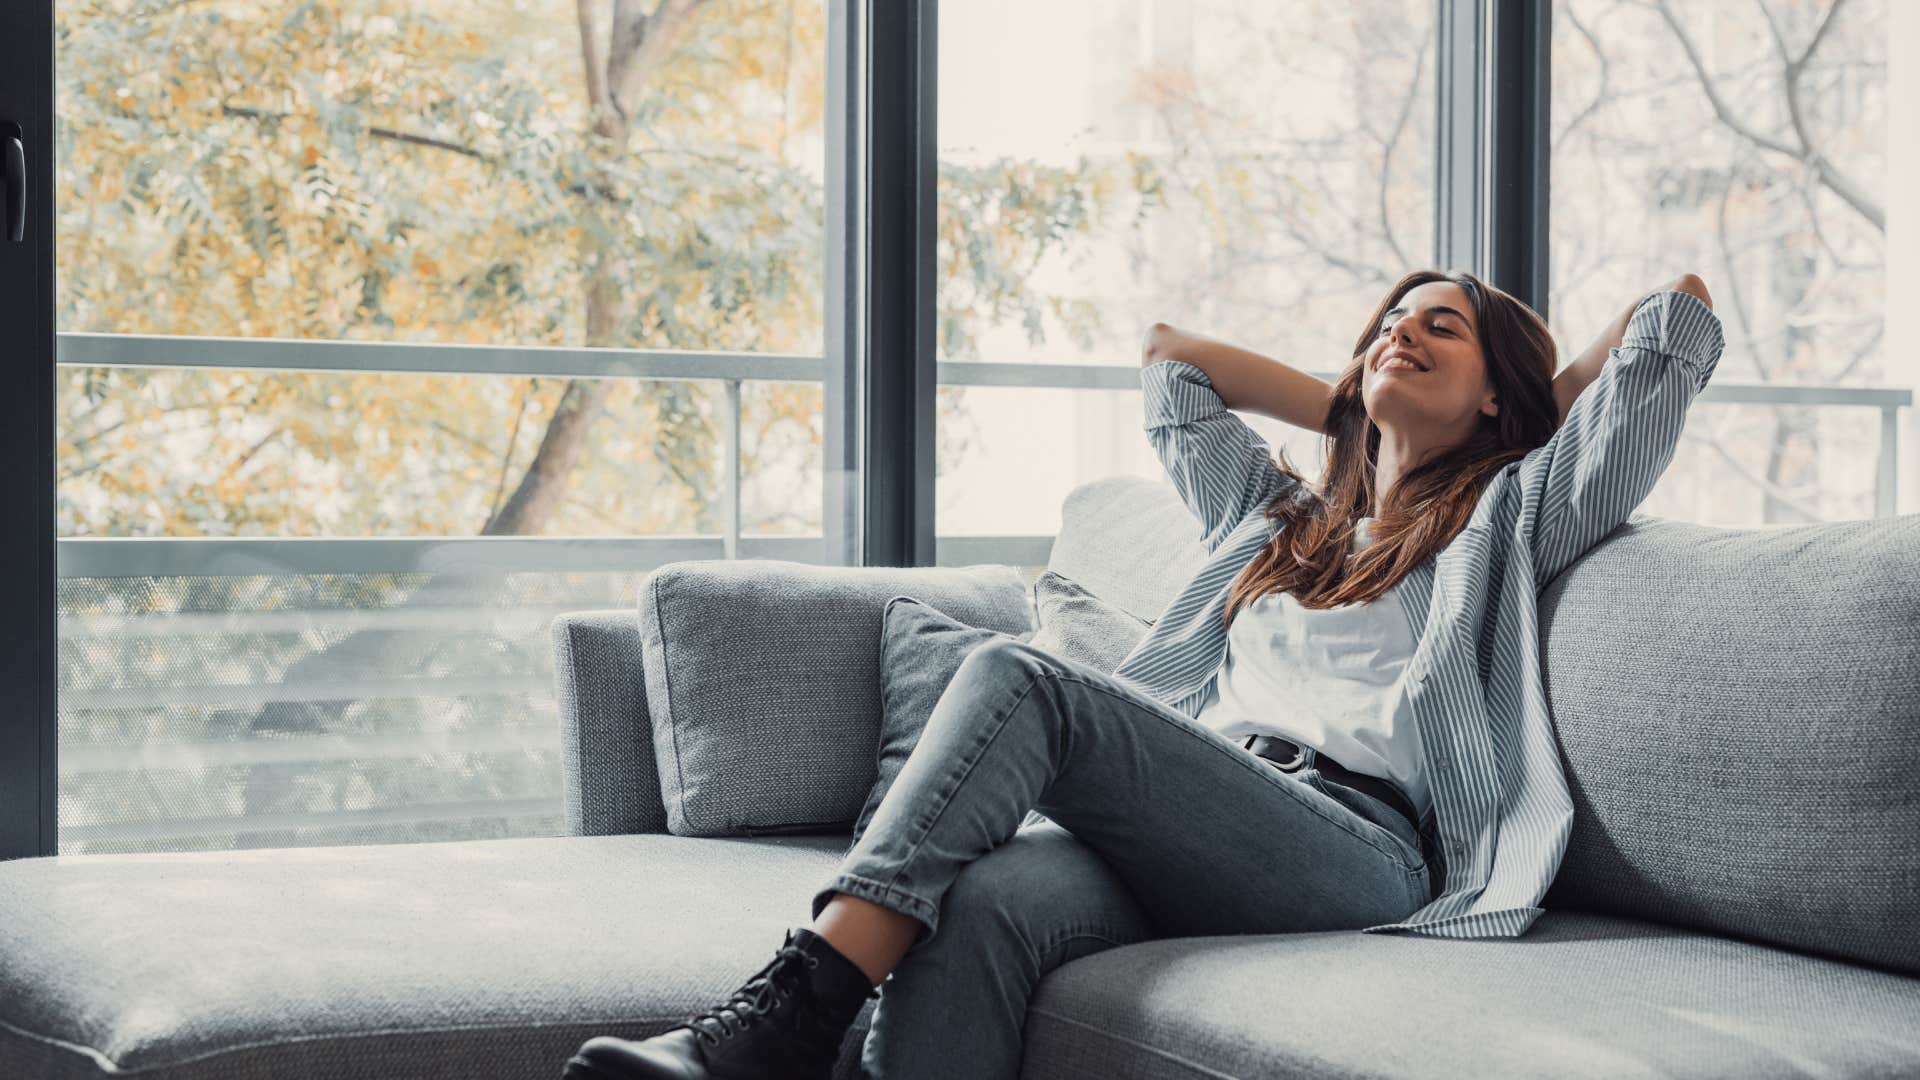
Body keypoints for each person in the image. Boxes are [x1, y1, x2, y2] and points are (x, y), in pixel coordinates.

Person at [562, 269, 1725, 1080]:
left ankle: (782, 1019)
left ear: (1496, 394)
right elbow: (1171, 363)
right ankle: (785, 1033)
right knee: (980, 906)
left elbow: (1676, 315)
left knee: (1026, 677)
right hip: (1203, 810)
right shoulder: (1272, 520)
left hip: (1358, 850)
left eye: (1441, 329)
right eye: (1387, 321)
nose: (1399, 334)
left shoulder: (1512, 514)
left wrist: (1527, 411)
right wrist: (1353, 405)